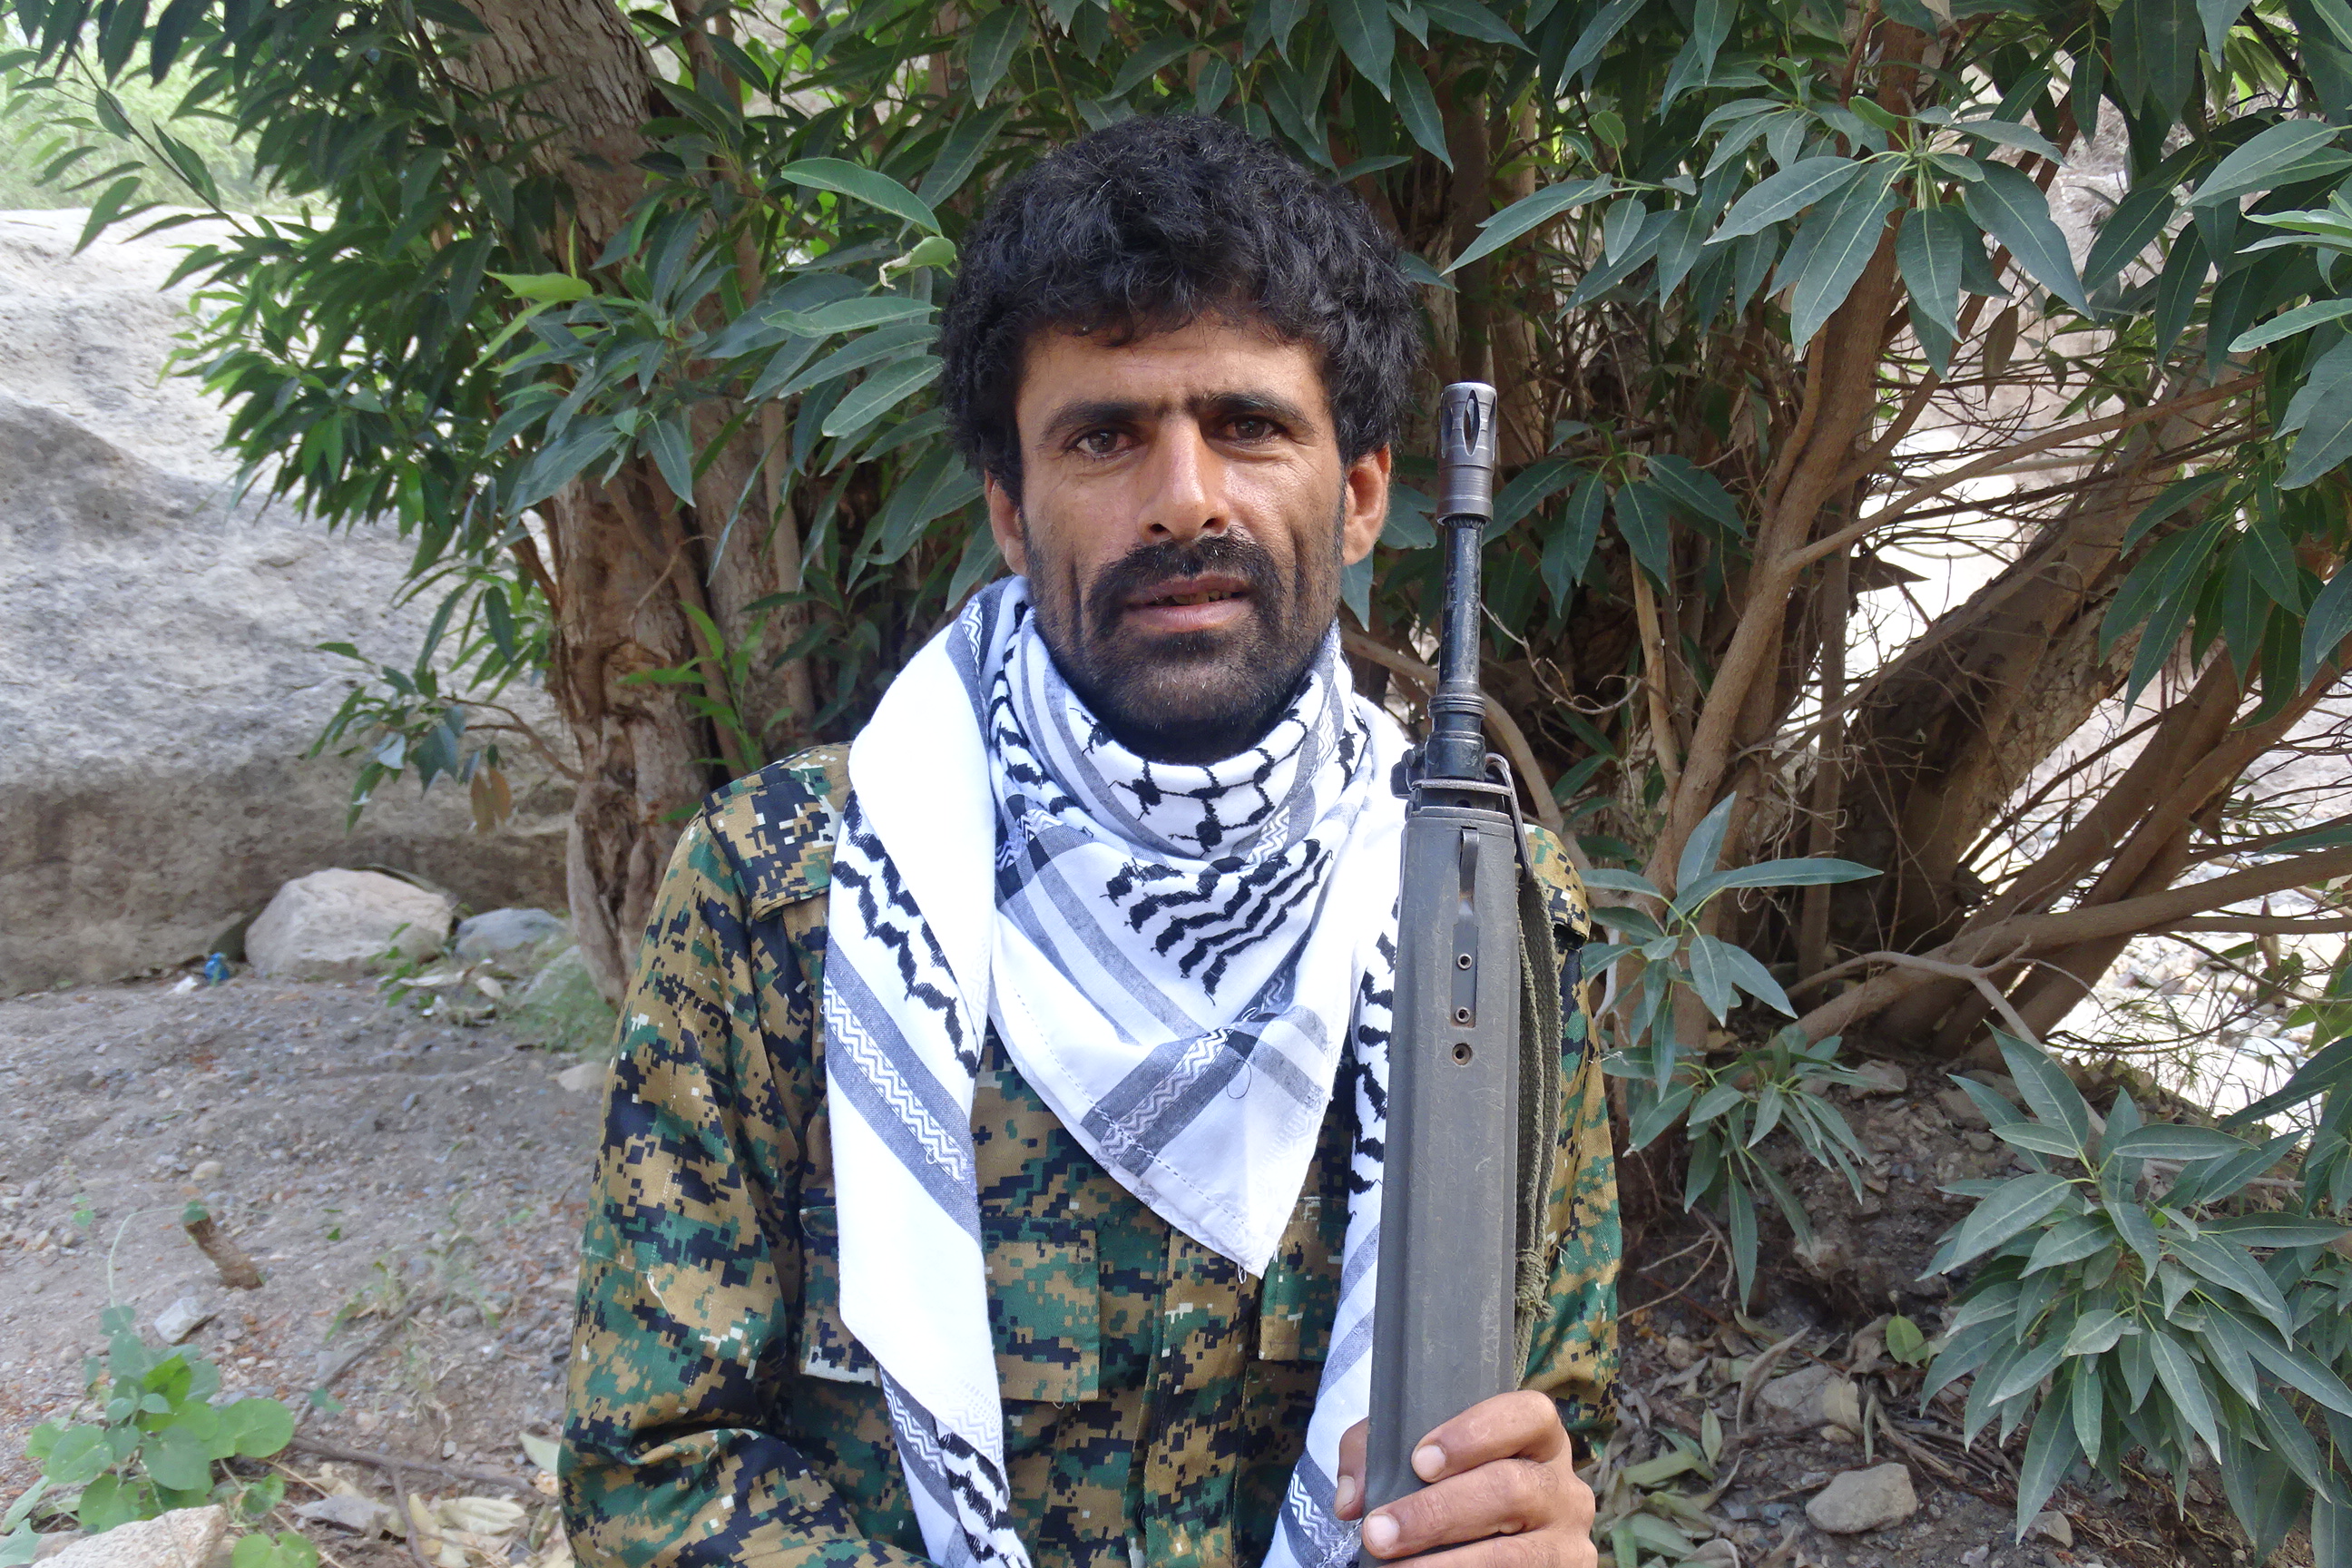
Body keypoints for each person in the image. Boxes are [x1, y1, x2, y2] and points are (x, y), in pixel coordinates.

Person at [560, 114, 1619, 1568]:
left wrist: (1524, 1519)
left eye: (1248, 426)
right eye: (1105, 438)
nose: (1184, 499)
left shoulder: (1481, 916)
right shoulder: (788, 888)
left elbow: (1542, 1420)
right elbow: (652, 1468)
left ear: (1364, 495)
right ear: (1011, 511)